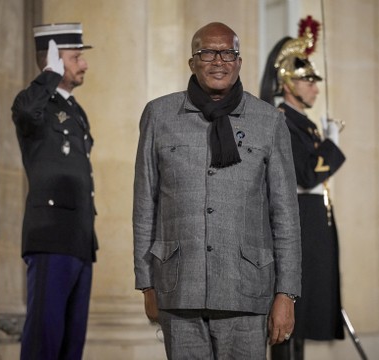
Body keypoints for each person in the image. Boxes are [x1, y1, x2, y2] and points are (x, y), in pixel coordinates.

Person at [132, 22, 301, 359]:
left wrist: (287, 292)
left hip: (247, 290)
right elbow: (144, 204)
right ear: (192, 62)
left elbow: (285, 214)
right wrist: (146, 282)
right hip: (179, 288)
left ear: (238, 61)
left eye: (228, 53)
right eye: (207, 52)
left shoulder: (268, 121)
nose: (218, 61)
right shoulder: (159, 115)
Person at [259, 16, 346, 360]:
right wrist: (332, 143)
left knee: (305, 320)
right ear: (287, 81)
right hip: (298, 224)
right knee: (288, 321)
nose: (315, 88)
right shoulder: (279, 120)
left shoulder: (304, 125)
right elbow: (307, 175)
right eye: (307, 80)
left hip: (312, 224)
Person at [11, 23, 97, 360]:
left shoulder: (74, 110)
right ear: (54, 60)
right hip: (51, 237)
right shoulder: (35, 105)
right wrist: (48, 75)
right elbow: (23, 111)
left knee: (71, 344)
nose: (84, 64)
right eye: (76, 57)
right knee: (43, 341)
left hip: (79, 238)